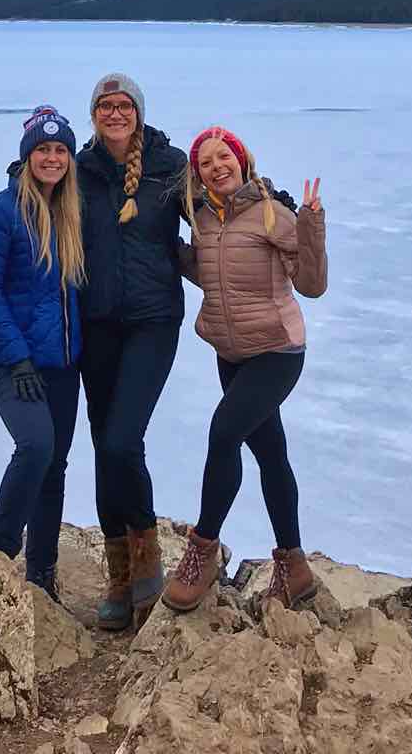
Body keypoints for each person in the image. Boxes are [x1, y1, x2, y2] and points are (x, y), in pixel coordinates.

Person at [162, 125, 327, 614]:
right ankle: (294, 567)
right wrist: (169, 252)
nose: (217, 166)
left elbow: (313, 285)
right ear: (199, 175)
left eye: (224, 156)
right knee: (272, 455)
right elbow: (213, 274)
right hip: (230, 354)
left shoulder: (273, 214)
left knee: (223, 434)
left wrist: (312, 225)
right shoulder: (204, 220)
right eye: (206, 162)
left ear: (242, 160)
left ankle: (202, 551)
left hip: (277, 352)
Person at [76, 73, 188, 630]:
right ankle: (120, 576)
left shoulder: (170, 166)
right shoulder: (80, 170)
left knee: (123, 439)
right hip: (96, 324)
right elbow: (37, 196)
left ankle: (146, 557)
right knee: (104, 447)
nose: (115, 113)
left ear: (138, 113)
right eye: (105, 105)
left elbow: (219, 201)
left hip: (152, 321)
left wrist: (274, 207)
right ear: (94, 113)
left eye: (124, 106)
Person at [0, 105, 85, 599]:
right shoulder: (0, 213)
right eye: (44, 150)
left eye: (61, 150)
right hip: (11, 363)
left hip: (62, 364)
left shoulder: (69, 213)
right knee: (35, 447)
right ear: (27, 155)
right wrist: (16, 357)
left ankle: (42, 573)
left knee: (54, 463)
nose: (52, 158)